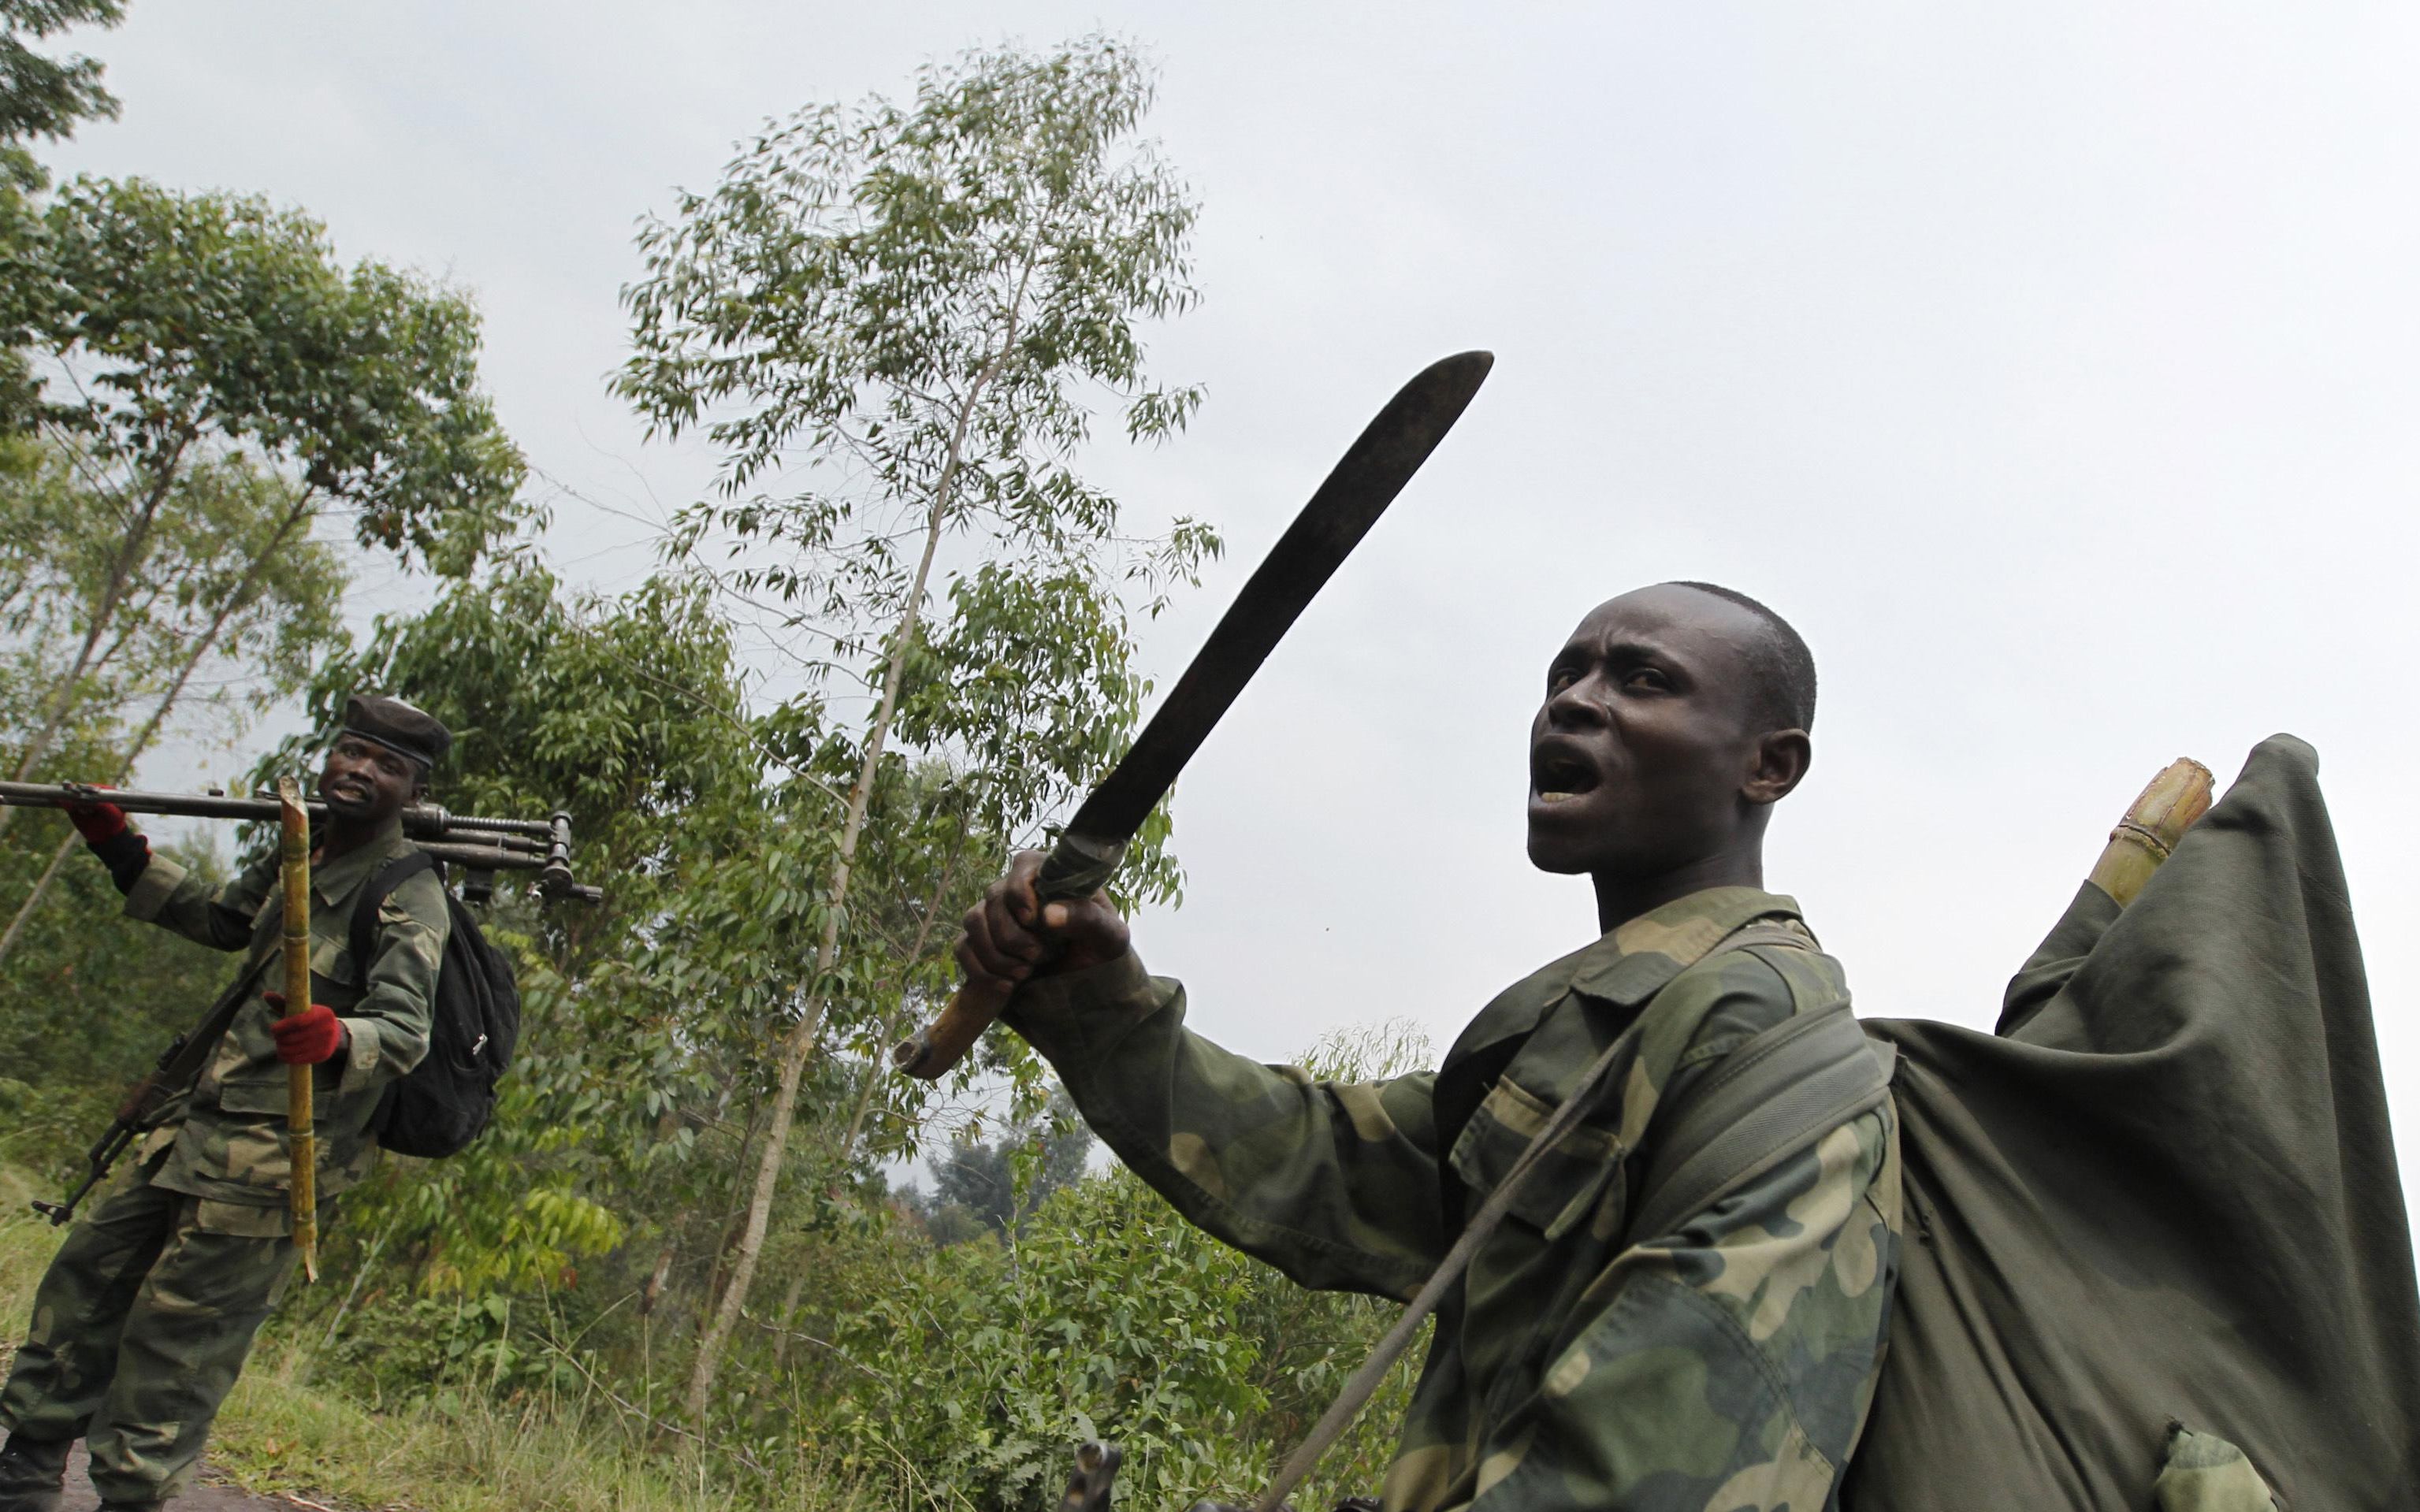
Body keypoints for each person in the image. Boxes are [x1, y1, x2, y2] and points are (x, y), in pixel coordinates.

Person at [958, 582, 1900, 1512]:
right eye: (1563, 674)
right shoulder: (1598, 1016)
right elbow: (1319, 1156)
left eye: (1643, 680)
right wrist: (1095, 995)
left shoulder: (1761, 1024)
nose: (1572, 700)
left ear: (1767, 766)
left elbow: (1671, 1460)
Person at [0, 696, 453, 1512]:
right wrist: (116, 843)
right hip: (191, 1133)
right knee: (88, 1279)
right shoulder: (300, 850)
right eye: (351, 750)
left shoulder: (406, 888)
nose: (358, 769)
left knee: (179, 1339)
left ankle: (130, 1497)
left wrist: (337, 1034)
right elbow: (218, 919)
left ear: (413, 791)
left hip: (277, 1163)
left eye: (386, 765)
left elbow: (405, 1030)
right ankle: (28, 1467)